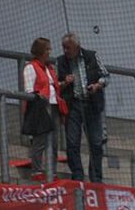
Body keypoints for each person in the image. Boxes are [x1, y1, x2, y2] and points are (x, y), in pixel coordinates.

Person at [55, 32, 110, 183]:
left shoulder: (92, 56)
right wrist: (64, 82)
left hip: (91, 104)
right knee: (72, 142)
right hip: (72, 105)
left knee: (96, 143)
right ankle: (77, 175)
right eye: (64, 48)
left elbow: (106, 76)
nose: (66, 51)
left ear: (77, 47)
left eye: (69, 48)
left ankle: (96, 177)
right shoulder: (60, 62)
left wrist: (98, 85)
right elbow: (54, 85)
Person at [20, 37, 61, 178]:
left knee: (54, 141)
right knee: (40, 140)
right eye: (47, 49)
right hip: (41, 107)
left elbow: (53, 86)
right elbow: (29, 89)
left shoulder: (50, 68)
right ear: (41, 51)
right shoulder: (31, 67)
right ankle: (37, 170)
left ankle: (52, 171)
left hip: (54, 105)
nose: (50, 52)